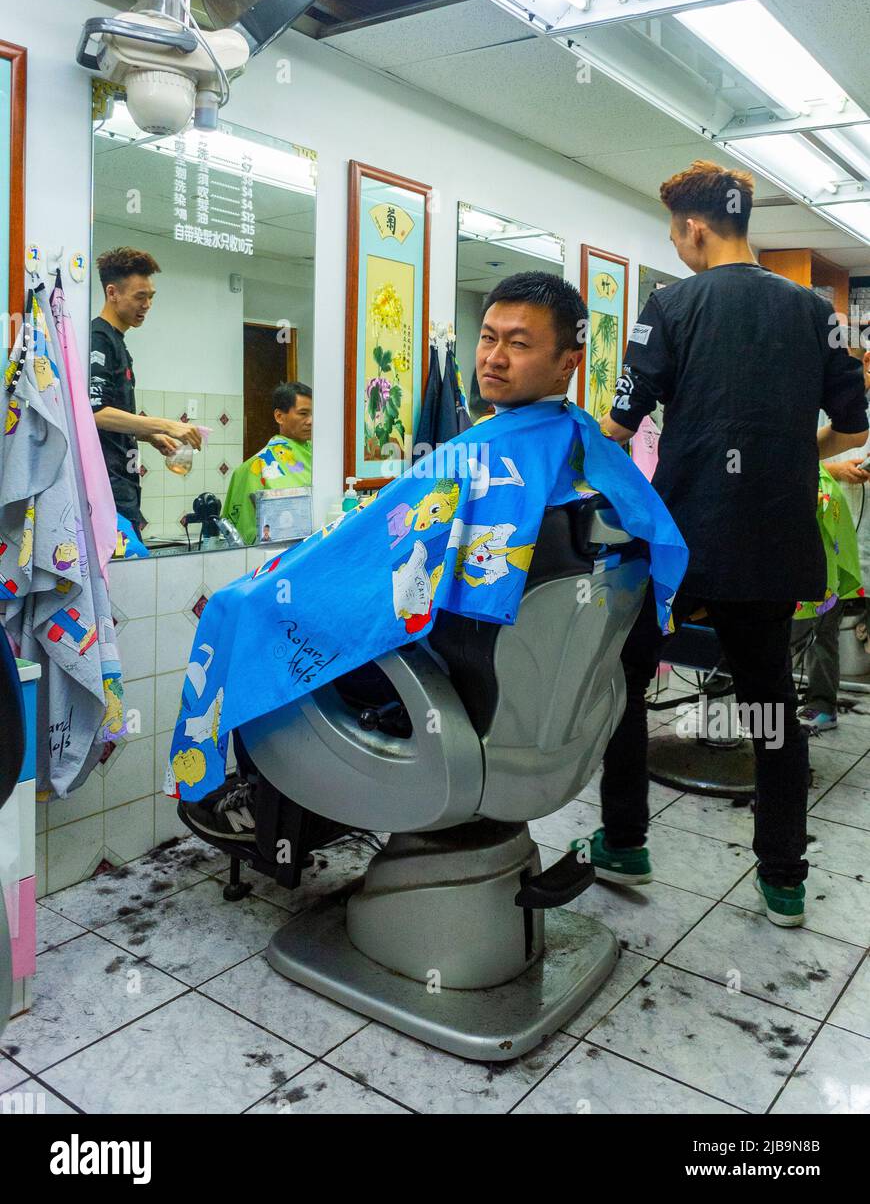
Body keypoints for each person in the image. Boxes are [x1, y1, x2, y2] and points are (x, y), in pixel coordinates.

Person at [180, 272, 683, 844]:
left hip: (454, 685)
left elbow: (364, 563)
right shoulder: (585, 449)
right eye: (488, 337)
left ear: (569, 360)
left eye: (518, 344)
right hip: (534, 704)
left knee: (250, 616)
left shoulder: (483, 450)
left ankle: (258, 808)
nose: (494, 358)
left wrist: (265, 594)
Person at [591, 159, 868, 927]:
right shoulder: (816, 311)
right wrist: (790, 452)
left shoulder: (669, 304)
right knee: (772, 707)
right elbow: (854, 426)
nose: (678, 247)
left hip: (681, 542)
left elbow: (619, 424)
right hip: (773, 541)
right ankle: (783, 880)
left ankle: (623, 840)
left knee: (626, 685)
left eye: (675, 234)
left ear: (696, 228)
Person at [90, 247, 202, 533]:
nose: (147, 304)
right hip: (103, 488)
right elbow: (95, 412)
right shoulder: (98, 339)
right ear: (112, 293)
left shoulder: (119, 343)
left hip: (124, 484)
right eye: (140, 296)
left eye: (151, 297)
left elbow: (112, 416)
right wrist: (167, 424)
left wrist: (151, 435)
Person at [798, 345, 870, 730]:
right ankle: (813, 703)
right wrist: (834, 468)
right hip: (814, 529)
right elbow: (798, 451)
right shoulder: (816, 398)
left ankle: (820, 702)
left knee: (828, 617)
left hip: (845, 535)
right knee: (808, 622)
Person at [221, 382, 313, 545]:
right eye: (303, 413)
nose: (310, 421)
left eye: (313, 414)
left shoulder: (324, 457)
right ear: (279, 416)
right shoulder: (257, 466)